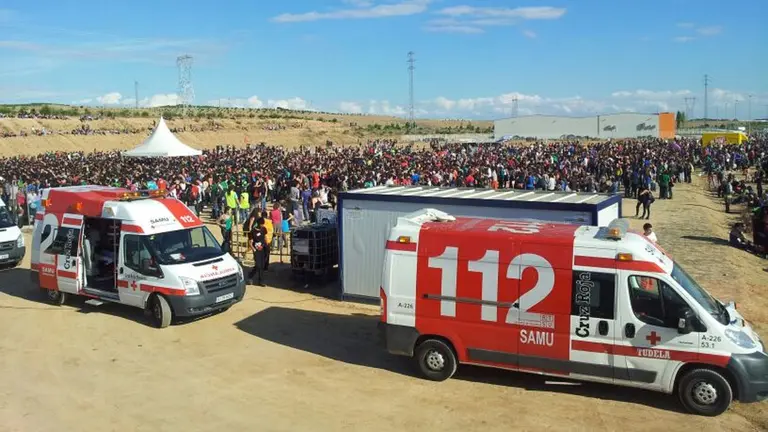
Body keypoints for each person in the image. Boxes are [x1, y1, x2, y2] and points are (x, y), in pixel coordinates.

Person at [248, 217, 268, 286]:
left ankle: (261, 281)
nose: (262, 225)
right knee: (258, 265)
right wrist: (253, 249)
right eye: (261, 224)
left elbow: (265, 237)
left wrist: (266, 244)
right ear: (258, 224)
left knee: (262, 265)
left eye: (263, 224)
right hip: (256, 250)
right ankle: (250, 276)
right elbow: (250, 242)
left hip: (263, 249)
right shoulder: (253, 231)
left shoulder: (264, 229)